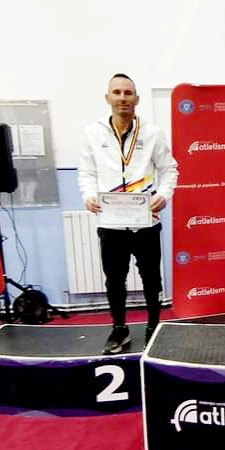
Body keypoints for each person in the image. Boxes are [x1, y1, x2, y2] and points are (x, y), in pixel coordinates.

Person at [79, 73, 179, 354]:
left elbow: (169, 169)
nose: (122, 98)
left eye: (128, 93)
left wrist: (164, 194)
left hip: (145, 220)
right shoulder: (93, 132)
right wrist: (88, 196)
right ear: (107, 97)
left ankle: (153, 326)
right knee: (114, 278)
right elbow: (86, 172)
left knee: (151, 277)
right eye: (117, 92)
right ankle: (119, 328)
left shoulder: (152, 133)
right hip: (110, 223)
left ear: (137, 99)